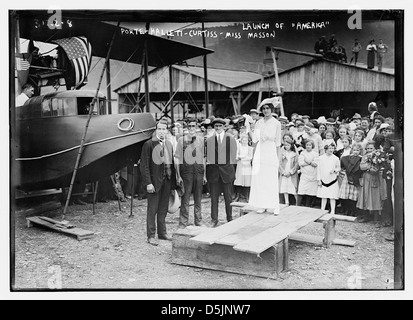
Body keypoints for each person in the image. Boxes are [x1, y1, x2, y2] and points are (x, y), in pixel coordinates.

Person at [140, 119, 176, 246]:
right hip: (154, 182)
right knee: (152, 209)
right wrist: (148, 183)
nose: (161, 131)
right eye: (159, 129)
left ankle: (162, 233)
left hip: (167, 181)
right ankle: (151, 235)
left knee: (163, 209)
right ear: (156, 130)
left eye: (164, 129)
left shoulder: (169, 144)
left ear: (167, 131)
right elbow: (144, 166)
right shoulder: (149, 144)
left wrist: (174, 182)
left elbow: (171, 164)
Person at [248, 102, 282, 214]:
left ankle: (275, 206)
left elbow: (277, 142)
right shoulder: (258, 122)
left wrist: (278, 158)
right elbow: (254, 139)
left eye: (267, 108)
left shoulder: (276, 123)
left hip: (271, 151)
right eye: (263, 109)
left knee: (271, 178)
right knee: (261, 178)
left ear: (271, 110)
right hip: (260, 151)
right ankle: (262, 205)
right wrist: (248, 128)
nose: (265, 110)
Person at [175, 118, 207, 228]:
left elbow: (203, 158)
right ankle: (183, 222)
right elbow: (178, 159)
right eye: (189, 126)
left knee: (198, 198)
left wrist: (204, 175)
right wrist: (178, 176)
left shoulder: (201, 140)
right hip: (186, 172)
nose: (192, 128)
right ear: (187, 128)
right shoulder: (181, 140)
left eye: (194, 126)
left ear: (196, 127)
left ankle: (198, 221)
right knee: (185, 198)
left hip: (198, 171)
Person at [205, 118, 237, 227]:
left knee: (228, 197)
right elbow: (208, 157)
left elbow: (233, 157)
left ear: (224, 127)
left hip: (227, 172)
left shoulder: (230, 139)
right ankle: (214, 219)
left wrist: (232, 173)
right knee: (214, 198)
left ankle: (229, 217)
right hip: (214, 173)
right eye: (216, 126)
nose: (218, 128)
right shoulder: (209, 140)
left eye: (220, 126)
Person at [356, 142, 387, 223]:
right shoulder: (365, 156)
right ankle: (366, 216)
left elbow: (379, 167)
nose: (369, 150)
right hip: (366, 178)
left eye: (371, 148)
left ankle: (376, 218)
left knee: (375, 197)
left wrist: (374, 167)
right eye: (368, 148)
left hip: (375, 178)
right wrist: (369, 166)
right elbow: (362, 167)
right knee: (365, 196)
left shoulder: (379, 156)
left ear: (374, 149)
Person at [338, 143, 363, 216]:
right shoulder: (347, 158)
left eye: (357, 150)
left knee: (353, 195)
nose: (355, 152)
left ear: (360, 151)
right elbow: (343, 163)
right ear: (352, 150)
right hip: (347, 177)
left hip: (356, 178)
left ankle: (353, 211)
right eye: (354, 150)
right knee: (347, 195)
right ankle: (347, 210)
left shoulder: (361, 158)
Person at [316, 142, 341, 214]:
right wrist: (318, 180)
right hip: (323, 180)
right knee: (323, 196)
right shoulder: (320, 158)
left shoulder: (336, 158)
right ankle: (322, 210)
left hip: (332, 180)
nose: (331, 149)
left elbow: (338, 168)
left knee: (332, 196)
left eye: (333, 148)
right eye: (330, 148)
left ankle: (332, 211)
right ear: (326, 149)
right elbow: (318, 169)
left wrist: (335, 170)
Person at [297, 139, 319, 207]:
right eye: (307, 145)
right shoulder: (302, 153)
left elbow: (315, 164)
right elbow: (301, 164)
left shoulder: (315, 154)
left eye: (310, 145)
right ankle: (298, 205)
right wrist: (310, 162)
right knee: (301, 190)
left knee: (310, 191)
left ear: (312, 146)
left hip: (312, 175)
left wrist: (307, 161)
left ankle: (307, 205)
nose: (308, 146)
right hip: (304, 175)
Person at [279, 136, 299, 206]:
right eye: (285, 145)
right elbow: (279, 163)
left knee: (293, 187)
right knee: (285, 187)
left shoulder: (294, 154)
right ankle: (286, 202)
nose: (286, 147)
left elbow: (297, 164)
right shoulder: (282, 154)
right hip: (284, 171)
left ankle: (297, 202)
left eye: (288, 145)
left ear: (291, 145)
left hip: (291, 173)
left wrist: (291, 172)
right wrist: (283, 172)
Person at [234, 133, 253, 202]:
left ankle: (247, 196)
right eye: (243, 140)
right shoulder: (239, 148)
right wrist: (241, 157)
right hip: (240, 165)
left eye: (246, 140)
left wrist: (243, 157)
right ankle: (237, 196)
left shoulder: (250, 148)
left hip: (247, 165)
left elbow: (250, 157)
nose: (245, 142)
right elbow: (236, 157)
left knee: (247, 180)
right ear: (241, 141)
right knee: (239, 180)